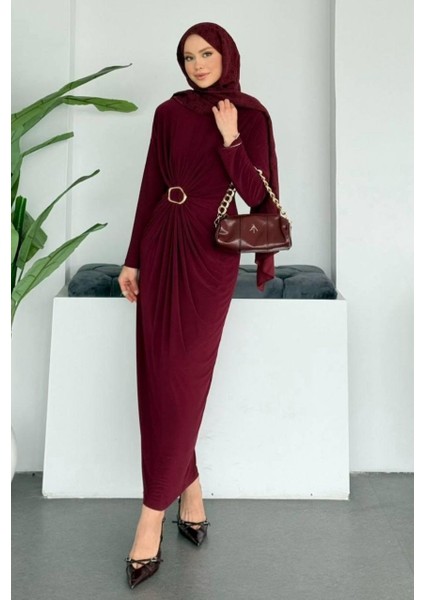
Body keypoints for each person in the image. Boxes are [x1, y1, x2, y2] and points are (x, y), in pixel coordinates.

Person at [118, 21, 280, 589]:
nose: (198, 64)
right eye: (188, 57)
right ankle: (189, 492)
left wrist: (231, 139)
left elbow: (258, 198)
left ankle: (150, 517)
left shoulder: (250, 114)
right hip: (162, 243)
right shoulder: (168, 113)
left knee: (183, 378)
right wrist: (133, 257)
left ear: (226, 55)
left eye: (207, 53)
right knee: (159, 377)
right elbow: (149, 184)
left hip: (210, 256)